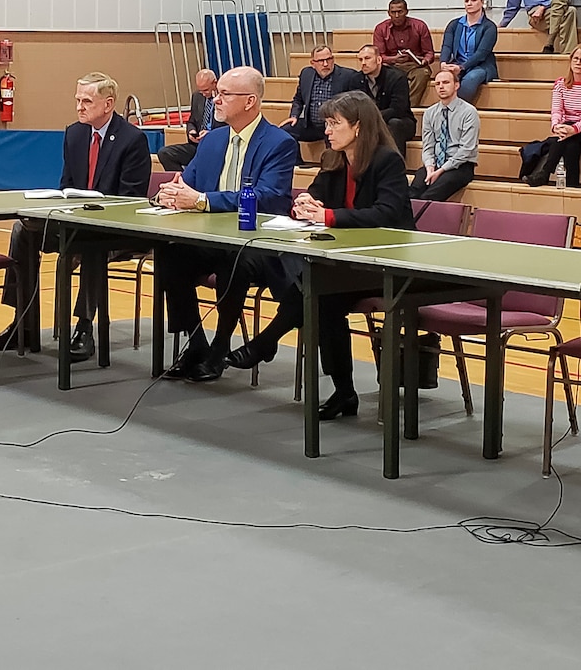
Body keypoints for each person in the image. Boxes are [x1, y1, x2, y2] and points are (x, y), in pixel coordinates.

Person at [223, 92, 411, 421]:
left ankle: (268, 343)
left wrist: (328, 217)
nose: (327, 130)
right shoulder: (334, 160)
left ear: (358, 127)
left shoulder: (386, 161)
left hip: (386, 263)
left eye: (334, 123)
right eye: (327, 123)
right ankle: (343, 393)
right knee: (320, 297)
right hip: (344, 262)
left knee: (320, 294)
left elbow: (387, 213)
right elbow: (315, 195)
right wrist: (305, 205)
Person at [0, 73, 151, 358]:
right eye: (77, 100)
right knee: (23, 230)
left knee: (92, 245)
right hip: (75, 222)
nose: (79, 107)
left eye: (87, 101)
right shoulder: (74, 133)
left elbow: (132, 198)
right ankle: (24, 323)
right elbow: (67, 185)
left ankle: (84, 327)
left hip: (117, 229)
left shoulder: (132, 139)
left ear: (108, 104)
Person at [150, 67, 297, 383]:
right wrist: (171, 194)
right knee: (170, 253)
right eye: (218, 92)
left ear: (250, 101)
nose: (216, 99)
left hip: (255, 243)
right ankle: (197, 343)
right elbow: (188, 184)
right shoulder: (212, 141)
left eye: (225, 94)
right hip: (209, 237)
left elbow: (268, 197)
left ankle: (219, 348)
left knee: (236, 261)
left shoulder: (279, 143)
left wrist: (202, 200)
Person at [524, 44, 581, 189]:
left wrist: (574, 129)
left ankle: (545, 173)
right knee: (570, 145)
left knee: (568, 135)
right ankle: (572, 187)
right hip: (569, 133)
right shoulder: (560, 84)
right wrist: (556, 126)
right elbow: (556, 110)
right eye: (575, 59)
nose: (578, 62)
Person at [410, 68, 477, 201]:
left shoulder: (469, 112)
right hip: (435, 164)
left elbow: (466, 150)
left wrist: (441, 171)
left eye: (445, 82)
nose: (441, 87)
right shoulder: (429, 113)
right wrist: (430, 167)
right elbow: (428, 146)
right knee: (412, 193)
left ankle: (422, 221)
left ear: (456, 85)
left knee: (429, 197)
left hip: (460, 166)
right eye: (437, 84)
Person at [283, 45, 364, 143]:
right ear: (313, 63)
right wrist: (294, 116)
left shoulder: (348, 76)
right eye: (321, 61)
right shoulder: (306, 74)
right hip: (311, 125)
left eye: (328, 59)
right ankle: (297, 159)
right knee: (285, 131)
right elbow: (298, 99)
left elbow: (355, 104)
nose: (325, 64)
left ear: (333, 59)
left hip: (334, 125)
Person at [438, 0, 499, 102]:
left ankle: (457, 110)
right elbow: (446, 46)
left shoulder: (489, 27)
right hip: (457, 63)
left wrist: (462, 67)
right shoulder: (454, 24)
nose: (469, 3)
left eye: (473, 0)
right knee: (444, 78)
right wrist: (443, 63)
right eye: (466, 1)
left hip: (481, 66)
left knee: (471, 78)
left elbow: (482, 53)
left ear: (481, 2)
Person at [373, 0, 436, 106]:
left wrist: (424, 61)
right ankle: (387, 105)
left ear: (406, 12)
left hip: (414, 65)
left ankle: (407, 106)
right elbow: (379, 56)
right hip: (392, 65)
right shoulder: (381, 29)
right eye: (393, 12)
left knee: (423, 74)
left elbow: (429, 53)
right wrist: (394, 59)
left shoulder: (419, 26)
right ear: (388, 13)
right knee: (381, 74)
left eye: (400, 12)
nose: (397, 15)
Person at [354, 44, 416, 152]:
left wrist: (374, 118)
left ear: (379, 60)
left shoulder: (397, 77)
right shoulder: (356, 80)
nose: (363, 63)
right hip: (369, 122)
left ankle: (396, 165)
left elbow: (398, 109)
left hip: (400, 121)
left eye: (367, 58)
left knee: (394, 124)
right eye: (361, 59)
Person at [158, 69, 217, 172]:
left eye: (206, 90)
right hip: (197, 145)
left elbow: (229, 125)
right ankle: (183, 181)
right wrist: (191, 131)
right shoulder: (197, 97)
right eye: (200, 90)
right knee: (165, 153)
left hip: (216, 146)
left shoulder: (224, 98)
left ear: (215, 83)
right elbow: (191, 121)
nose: (203, 94)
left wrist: (211, 134)